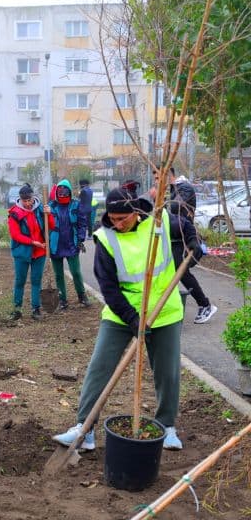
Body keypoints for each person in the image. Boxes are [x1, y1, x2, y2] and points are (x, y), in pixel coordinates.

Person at [52, 188, 185, 452]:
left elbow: (185, 226)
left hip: (164, 311)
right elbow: (109, 289)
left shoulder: (159, 222)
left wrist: (192, 241)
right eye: (113, 219)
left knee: (167, 372)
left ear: (136, 212)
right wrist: (133, 320)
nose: (118, 224)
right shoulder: (106, 239)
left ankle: (166, 425)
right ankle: (85, 429)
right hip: (121, 314)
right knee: (100, 367)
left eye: (123, 218)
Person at [150, 168, 216, 323]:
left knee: (181, 271)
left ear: (168, 175)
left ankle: (205, 305)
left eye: (159, 178)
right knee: (172, 271)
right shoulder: (172, 189)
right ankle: (166, 307)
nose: (157, 182)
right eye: (155, 179)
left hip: (183, 237)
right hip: (172, 236)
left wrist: (159, 197)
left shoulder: (184, 188)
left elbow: (175, 208)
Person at [7, 183, 54, 320]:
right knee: (20, 281)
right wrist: (33, 242)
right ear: (20, 199)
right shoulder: (14, 213)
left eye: (29, 200)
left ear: (33, 198)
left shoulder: (40, 209)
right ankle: (17, 310)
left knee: (36, 281)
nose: (28, 203)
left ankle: (36, 309)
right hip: (22, 252)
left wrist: (49, 214)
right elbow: (15, 235)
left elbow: (51, 225)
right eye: (25, 201)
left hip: (39, 252)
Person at [49, 179, 91, 310]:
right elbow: (43, 224)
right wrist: (44, 211)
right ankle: (62, 300)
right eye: (60, 191)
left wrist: (80, 239)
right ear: (56, 192)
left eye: (65, 191)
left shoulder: (76, 205)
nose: (62, 194)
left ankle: (82, 295)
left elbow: (82, 223)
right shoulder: (51, 206)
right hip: (55, 245)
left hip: (72, 244)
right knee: (58, 275)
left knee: (76, 272)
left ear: (70, 192)